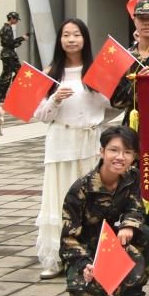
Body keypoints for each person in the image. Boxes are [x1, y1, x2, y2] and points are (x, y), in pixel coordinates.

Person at [32, 19, 118, 278]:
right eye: (66, 35)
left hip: (90, 143)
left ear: (85, 39)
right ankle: (56, 257)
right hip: (61, 143)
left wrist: (95, 118)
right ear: (60, 40)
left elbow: (113, 105)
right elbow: (40, 115)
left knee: (92, 198)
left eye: (76, 34)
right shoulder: (50, 72)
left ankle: (92, 255)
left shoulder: (95, 71)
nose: (71, 40)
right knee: (60, 197)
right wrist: (55, 100)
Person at [58, 125, 149, 296]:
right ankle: (90, 295)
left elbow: (136, 207)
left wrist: (128, 225)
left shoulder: (132, 177)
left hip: (117, 244)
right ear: (102, 151)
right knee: (85, 292)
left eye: (127, 152)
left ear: (134, 157)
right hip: (90, 250)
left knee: (144, 234)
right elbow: (68, 238)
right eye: (114, 150)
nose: (120, 157)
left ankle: (132, 294)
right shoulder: (81, 189)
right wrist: (84, 264)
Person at [0, 11, 27, 99]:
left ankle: (13, 91)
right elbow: (10, 43)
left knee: (19, 72)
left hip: (10, 54)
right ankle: (1, 96)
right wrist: (21, 38)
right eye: (16, 19)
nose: (17, 21)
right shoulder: (7, 28)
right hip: (8, 54)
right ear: (12, 18)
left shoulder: (7, 28)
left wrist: (20, 39)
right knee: (7, 76)